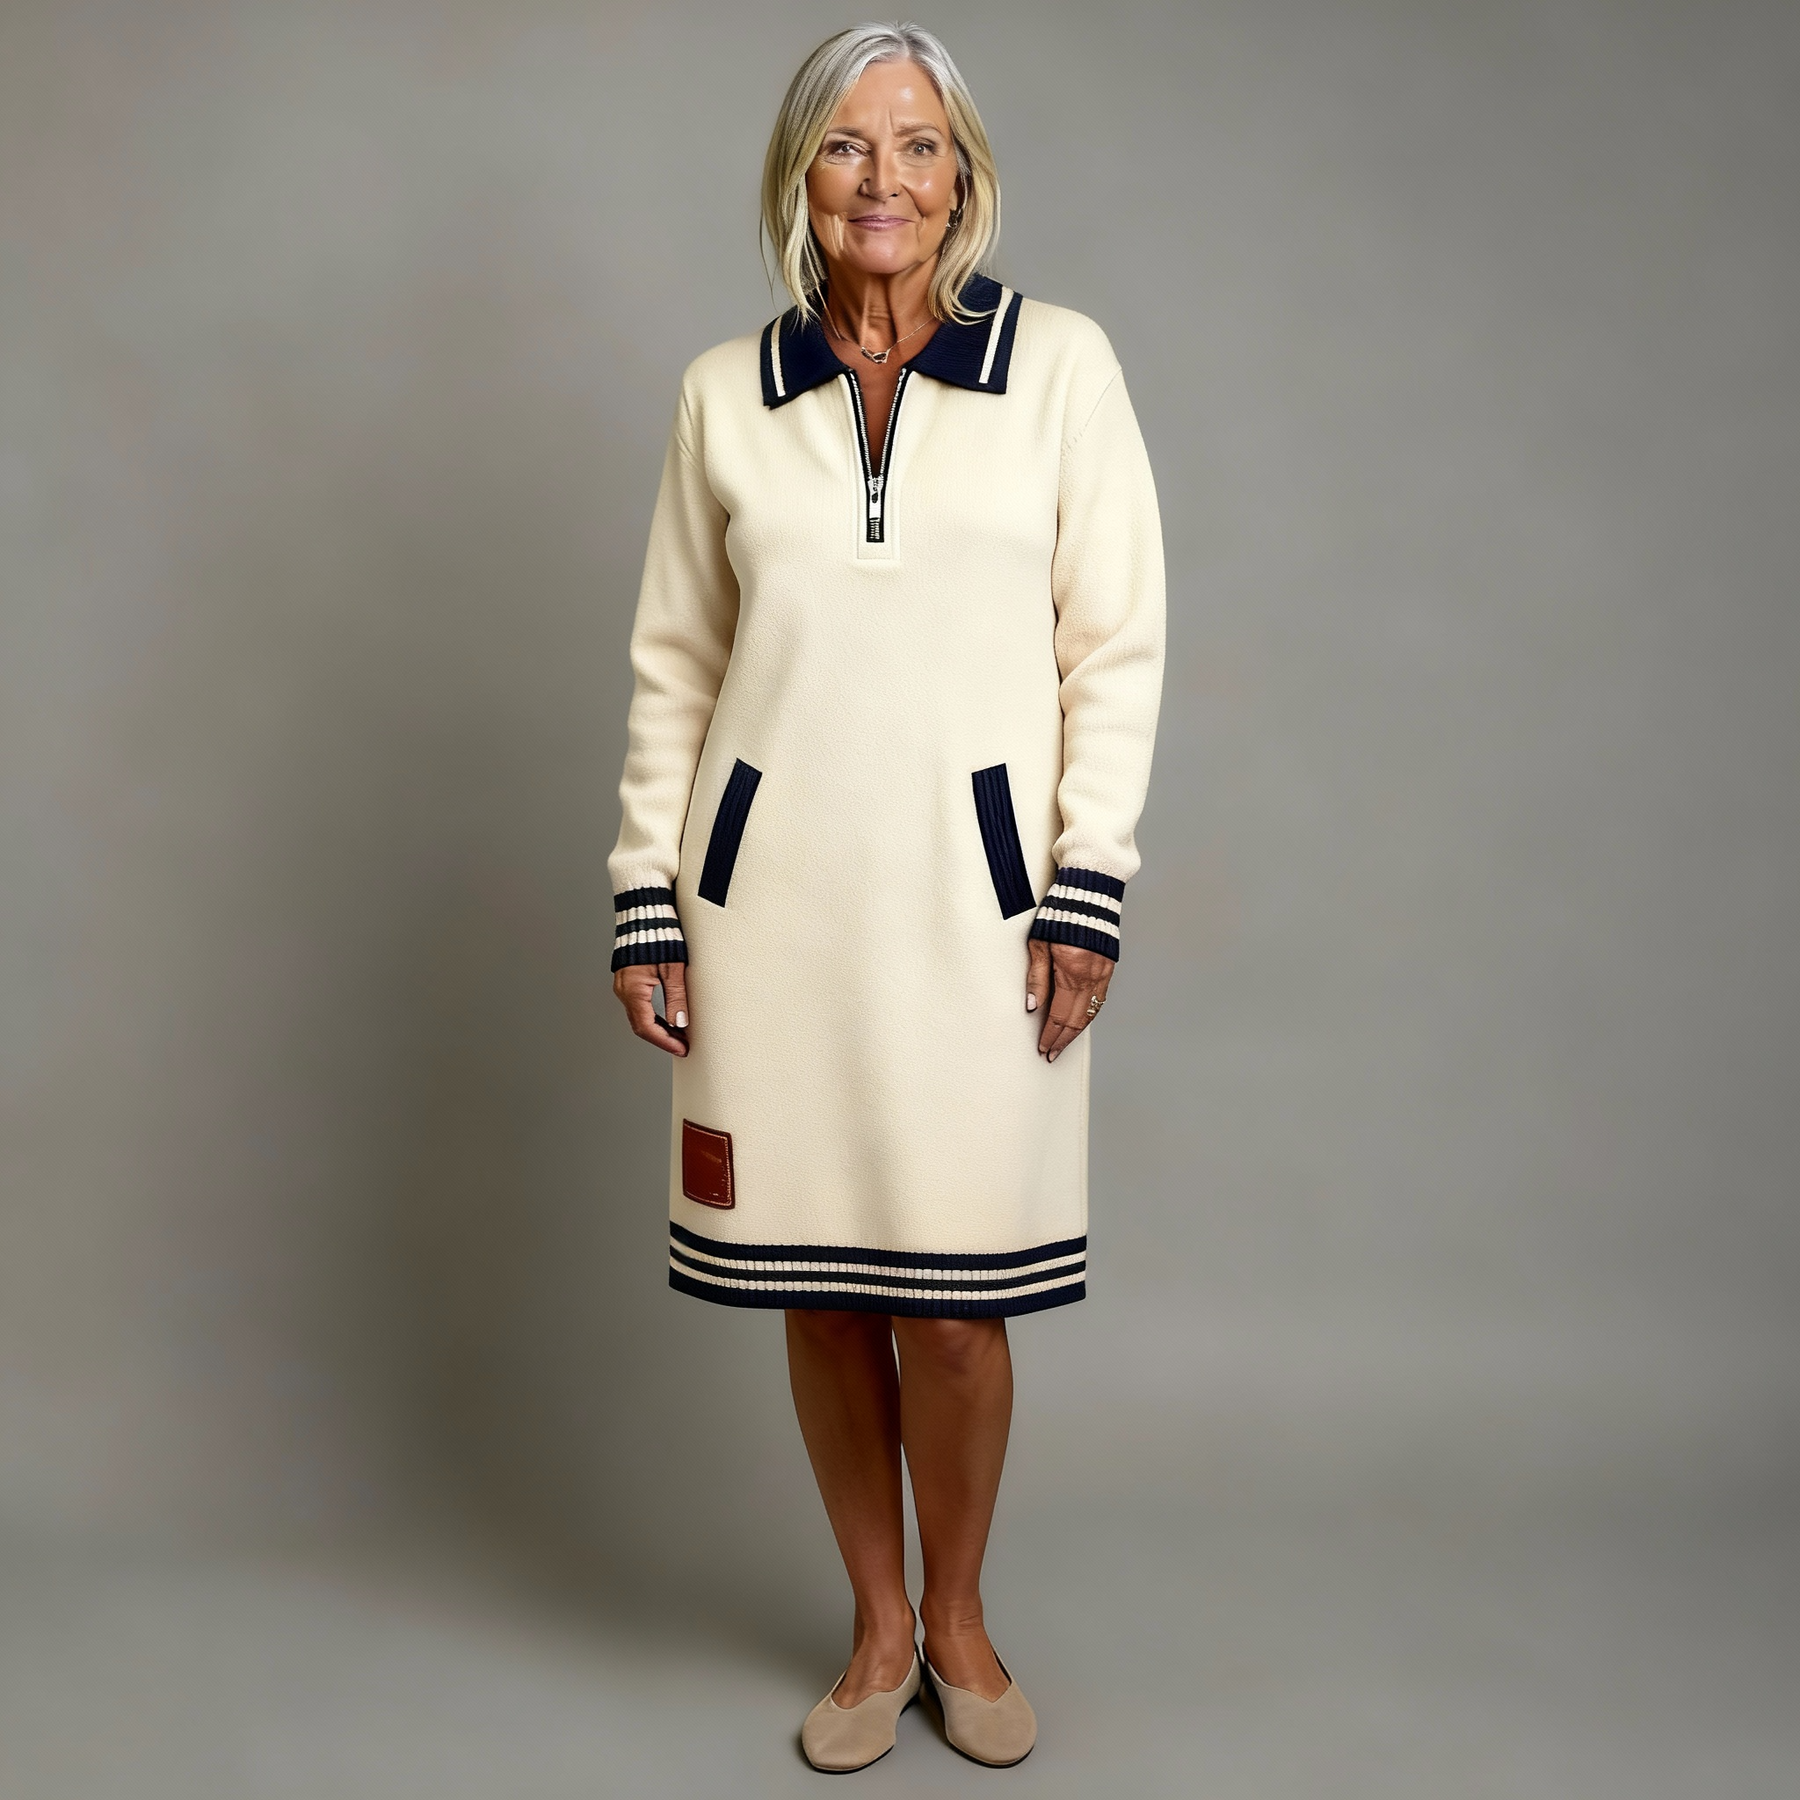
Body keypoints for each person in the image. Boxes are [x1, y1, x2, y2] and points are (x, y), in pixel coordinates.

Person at [608, 21, 1163, 1772]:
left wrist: (1084, 882)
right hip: (770, 913)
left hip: (980, 913)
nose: (885, 180)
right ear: (802, 173)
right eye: (849, 146)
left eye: (918, 145)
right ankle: (879, 1627)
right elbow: (675, 665)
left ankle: (965, 1613)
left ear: (963, 173)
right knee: (824, 1287)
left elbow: (1115, 646)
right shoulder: (725, 394)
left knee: (958, 1305)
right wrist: (647, 894)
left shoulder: (1060, 368)